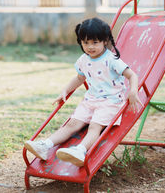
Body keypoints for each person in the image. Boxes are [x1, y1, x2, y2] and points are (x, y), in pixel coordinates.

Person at [24, 17, 141, 167]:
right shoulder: (83, 59)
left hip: (110, 102)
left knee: (94, 126)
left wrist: (133, 91)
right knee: (71, 123)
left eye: (95, 42)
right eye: (86, 43)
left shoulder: (112, 60)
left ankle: (80, 150)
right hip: (90, 100)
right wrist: (65, 90)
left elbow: (132, 75)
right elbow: (79, 78)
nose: (90, 47)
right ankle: (45, 146)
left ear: (105, 41)